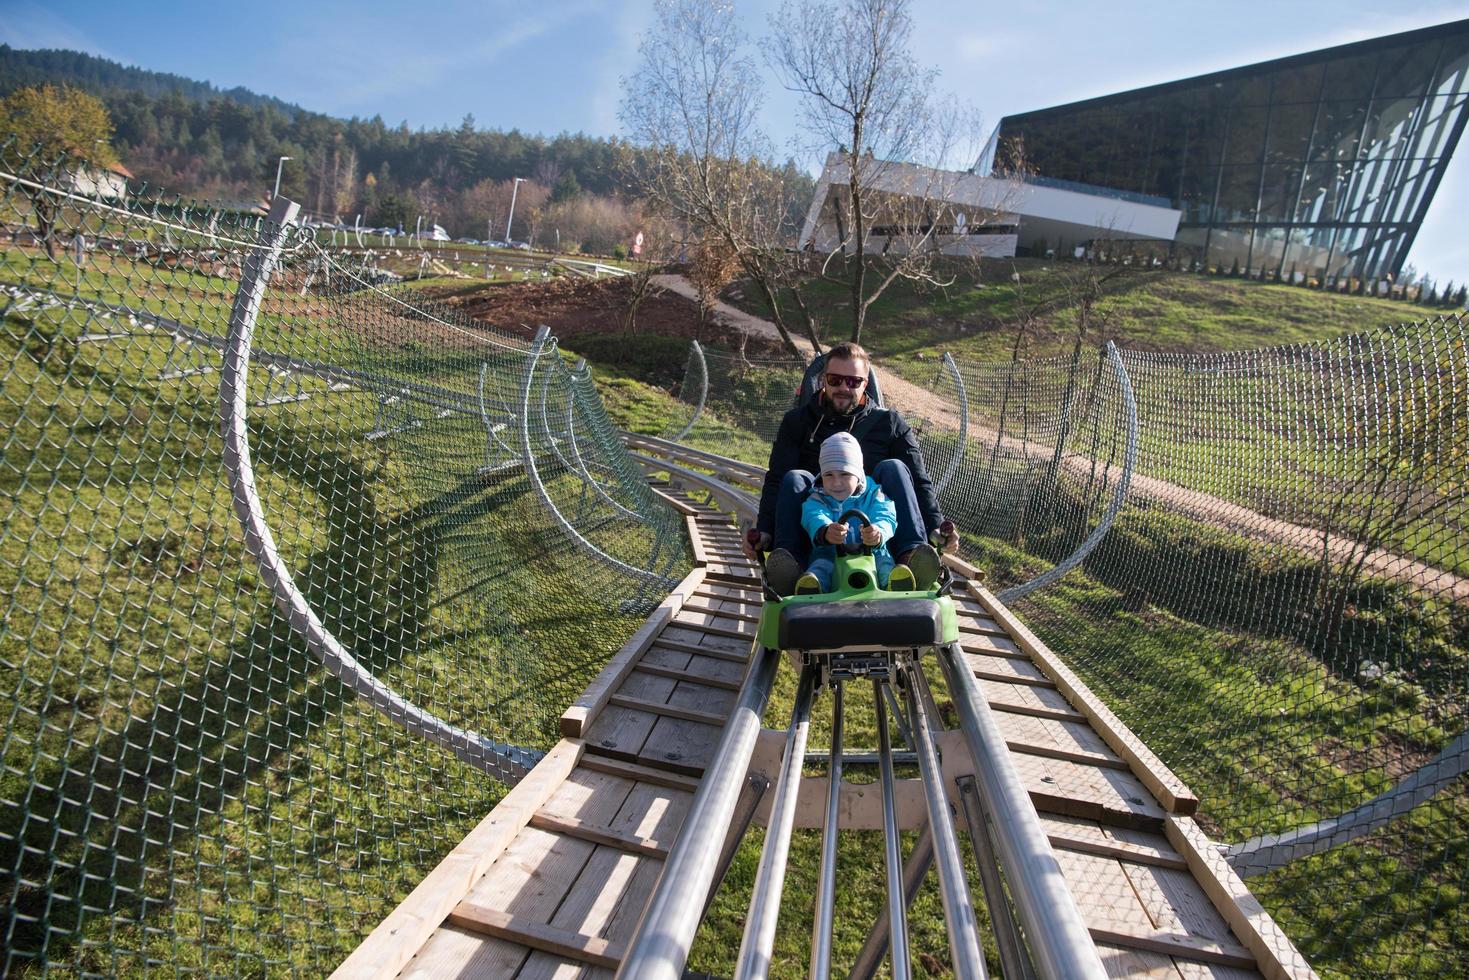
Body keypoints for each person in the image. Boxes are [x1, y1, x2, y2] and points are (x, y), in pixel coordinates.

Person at [742, 340, 959, 594]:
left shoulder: (890, 423)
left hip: (877, 532)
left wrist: (936, 525)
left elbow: (919, 480)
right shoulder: (797, 422)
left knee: (895, 468)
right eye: (835, 380)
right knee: (794, 477)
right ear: (823, 380)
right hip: (818, 529)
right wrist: (765, 529)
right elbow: (777, 480)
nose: (843, 388)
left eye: (853, 382)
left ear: (864, 384)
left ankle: (910, 559)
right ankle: (792, 568)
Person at [795, 432, 916, 594]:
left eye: (845, 474)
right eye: (828, 475)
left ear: (858, 475)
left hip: (872, 552)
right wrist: (825, 530)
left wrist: (878, 532)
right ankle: (812, 588)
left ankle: (894, 585)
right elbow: (813, 515)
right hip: (831, 552)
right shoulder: (818, 497)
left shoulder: (874, 494)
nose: (836, 483)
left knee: (884, 564)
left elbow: (885, 514)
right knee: (820, 567)